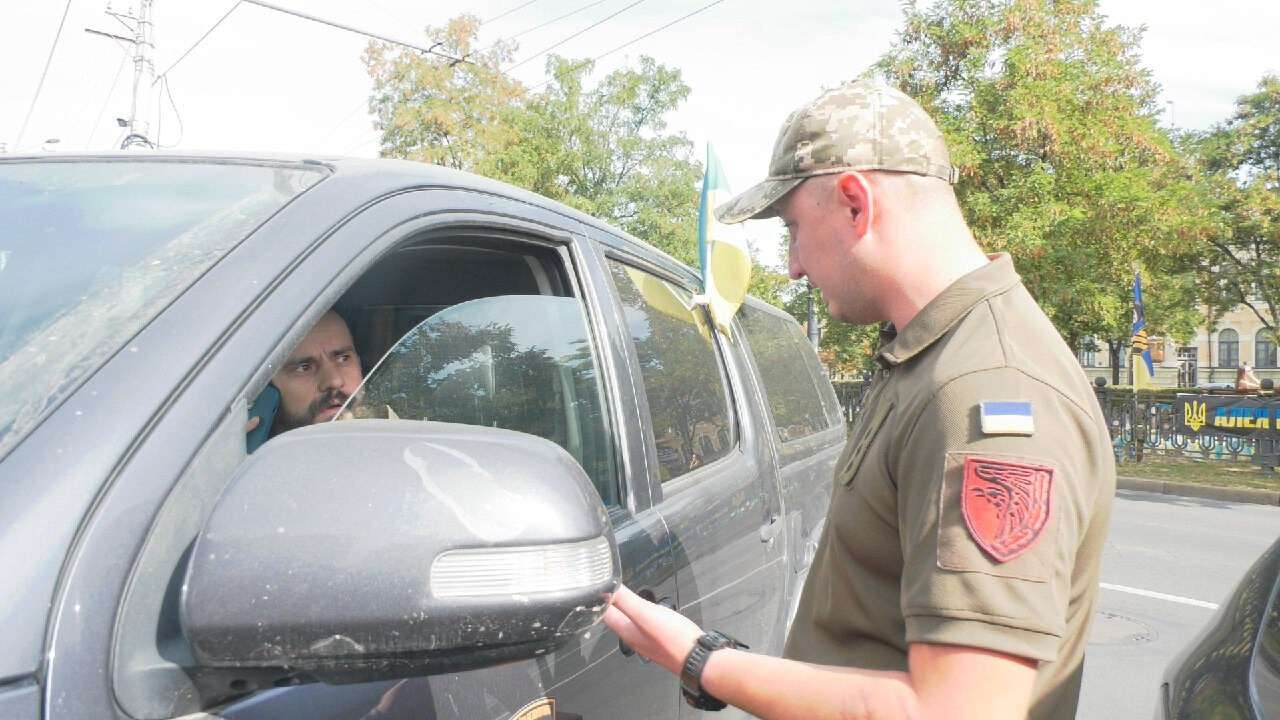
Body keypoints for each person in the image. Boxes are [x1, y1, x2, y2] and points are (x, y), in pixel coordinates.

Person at [603, 79, 1116, 720]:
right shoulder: (928, 354)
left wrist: (702, 660)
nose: (791, 266)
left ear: (854, 204)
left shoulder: (984, 387)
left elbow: (956, 711)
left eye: (792, 228)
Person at [246, 310, 363, 451]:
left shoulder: (393, 433)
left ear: (359, 363)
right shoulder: (243, 466)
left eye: (343, 358)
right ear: (265, 389)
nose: (334, 381)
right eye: (304, 368)